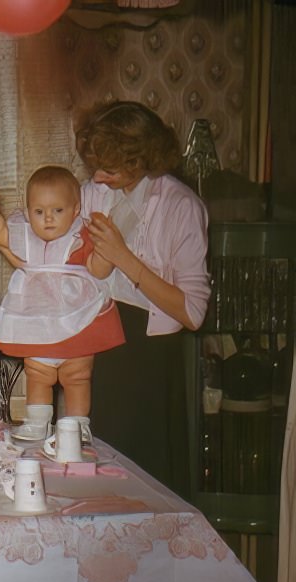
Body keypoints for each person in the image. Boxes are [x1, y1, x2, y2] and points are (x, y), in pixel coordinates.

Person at [74, 101, 210, 497]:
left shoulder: (182, 207)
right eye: (95, 165)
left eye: (110, 168)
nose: (98, 176)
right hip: (96, 347)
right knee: (92, 479)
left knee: (146, 485)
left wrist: (124, 259)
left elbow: (193, 313)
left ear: (142, 160)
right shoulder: (94, 192)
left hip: (147, 359)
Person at [0, 165, 125, 441]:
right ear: (28, 213)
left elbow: (98, 270)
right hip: (37, 316)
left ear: (75, 211)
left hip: (75, 315)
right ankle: (37, 421)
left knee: (77, 375)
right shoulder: (23, 233)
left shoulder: (82, 235)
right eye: (39, 212)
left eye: (58, 211)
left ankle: (77, 425)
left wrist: (107, 250)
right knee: (37, 372)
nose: (48, 218)